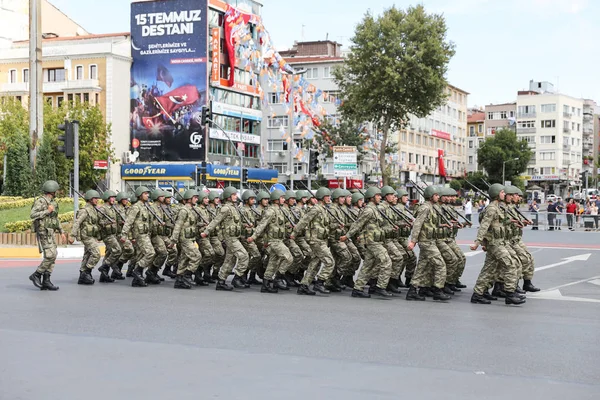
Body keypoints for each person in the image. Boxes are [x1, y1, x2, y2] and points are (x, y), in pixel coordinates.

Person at [470, 184, 525, 305]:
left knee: (489, 270)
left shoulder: (498, 207)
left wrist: (514, 222)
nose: (504, 194)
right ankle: (509, 293)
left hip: (501, 242)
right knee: (510, 265)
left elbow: (500, 223)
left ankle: (478, 294)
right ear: (496, 194)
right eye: (502, 192)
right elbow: (484, 226)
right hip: (495, 243)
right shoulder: (491, 208)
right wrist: (477, 242)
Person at [201, 187, 249, 291]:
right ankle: (237, 278)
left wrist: (245, 226)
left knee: (229, 260)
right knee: (244, 256)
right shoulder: (226, 208)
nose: (236, 196)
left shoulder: (234, 207)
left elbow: (235, 223)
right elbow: (215, 221)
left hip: (235, 237)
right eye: (234, 195)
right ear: (228, 197)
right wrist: (206, 232)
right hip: (230, 238)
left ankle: (221, 282)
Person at [250, 189, 293, 293]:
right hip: (273, 241)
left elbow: (282, 225)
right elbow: (262, 225)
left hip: (279, 240)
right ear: (276, 199)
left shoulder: (280, 210)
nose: (284, 199)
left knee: (272, 263)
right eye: (282, 198)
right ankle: (278, 278)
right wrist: (254, 237)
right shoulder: (270, 211)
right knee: (289, 258)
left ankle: (265, 284)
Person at [29, 180, 69, 291]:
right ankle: (37, 274)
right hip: (43, 232)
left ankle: (46, 280)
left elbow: (55, 218)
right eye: (56, 190)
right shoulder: (41, 201)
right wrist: (47, 211)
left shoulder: (53, 202)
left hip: (50, 231)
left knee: (54, 254)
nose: (57, 192)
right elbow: (32, 215)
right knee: (50, 255)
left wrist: (61, 231)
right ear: (52, 191)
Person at [120, 186, 156, 287]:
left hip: (146, 234)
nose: (147, 195)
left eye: (147, 193)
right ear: (140, 195)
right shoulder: (136, 207)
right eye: (145, 193)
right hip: (140, 235)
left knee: (140, 256)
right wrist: (124, 234)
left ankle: (137, 280)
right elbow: (129, 221)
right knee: (150, 253)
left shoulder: (145, 206)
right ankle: (137, 271)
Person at [169, 189, 202, 289]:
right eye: (195, 197)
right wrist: (173, 240)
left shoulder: (192, 210)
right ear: (189, 199)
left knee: (184, 259)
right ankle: (187, 275)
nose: (196, 199)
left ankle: (179, 280)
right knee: (197, 256)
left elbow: (192, 224)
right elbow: (178, 226)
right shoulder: (184, 210)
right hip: (184, 238)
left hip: (191, 237)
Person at [71, 190, 102, 285]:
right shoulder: (84, 210)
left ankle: (82, 276)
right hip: (86, 236)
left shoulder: (93, 209)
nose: (97, 200)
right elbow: (77, 222)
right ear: (90, 199)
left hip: (91, 235)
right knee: (96, 254)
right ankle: (86, 272)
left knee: (88, 255)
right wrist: (72, 235)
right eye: (95, 198)